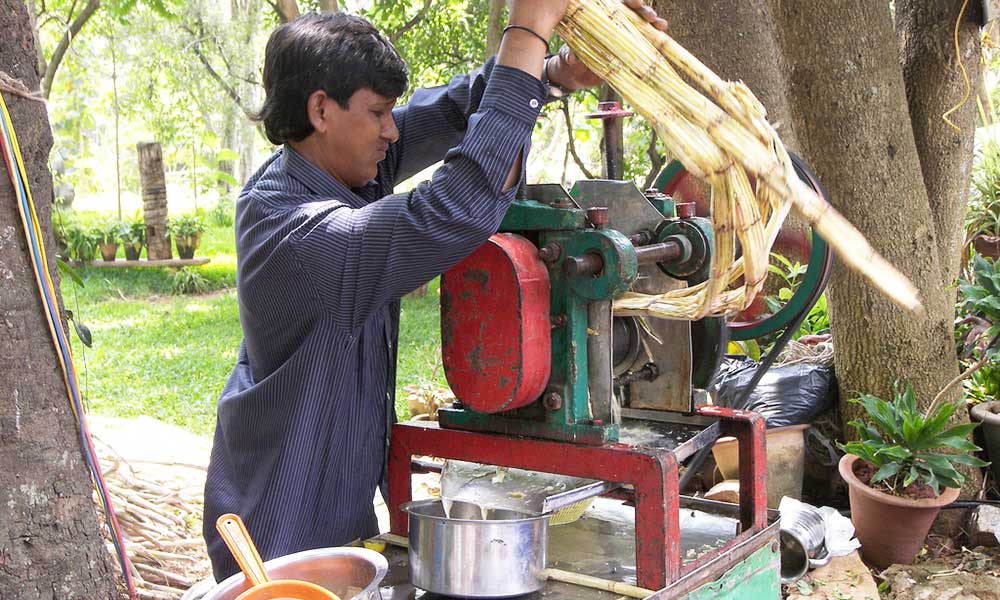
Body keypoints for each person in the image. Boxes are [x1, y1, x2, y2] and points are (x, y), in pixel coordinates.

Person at [203, 0, 668, 581]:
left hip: (333, 509)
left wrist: (551, 74)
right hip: (276, 530)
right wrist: (527, 29)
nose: (392, 131)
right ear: (321, 110)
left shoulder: (340, 170)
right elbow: (455, 208)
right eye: (377, 113)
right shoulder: (296, 233)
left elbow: (450, 109)